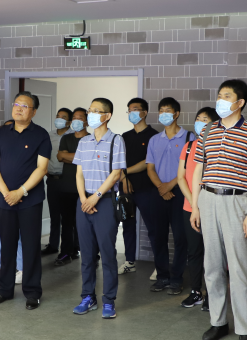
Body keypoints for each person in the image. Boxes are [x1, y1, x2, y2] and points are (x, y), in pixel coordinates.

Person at [190, 79, 247, 340]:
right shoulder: (208, 131)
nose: (220, 100)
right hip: (208, 199)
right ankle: (218, 322)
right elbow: (198, 170)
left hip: (236, 202)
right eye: (219, 95)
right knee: (212, 267)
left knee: (240, 268)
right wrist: (196, 206)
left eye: (226, 96)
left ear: (240, 102)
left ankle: (246, 329)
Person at [0, 91, 51, 310]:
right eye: (16, 104)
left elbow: (42, 168)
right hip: (5, 199)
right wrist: (7, 192)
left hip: (30, 201)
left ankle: (32, 292)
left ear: (33, 111)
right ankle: (4, 289)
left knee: (31, 246)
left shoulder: (40, 135)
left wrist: (20, 192)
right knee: (7, 245)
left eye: (24, 106)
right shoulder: (2, 133)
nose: (19, 108)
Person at [72, 98, 127, 319]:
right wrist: (83, 199)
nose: (91, 114)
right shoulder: (83, 142)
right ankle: (88, 297)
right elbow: (79, 173)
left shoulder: (116, 141)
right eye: (90, 110)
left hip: (104, 202)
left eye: (96, 110)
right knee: (86, 254)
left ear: (107, 116)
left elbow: (116, 174)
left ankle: (109, 300)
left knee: (107, 253)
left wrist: (95, 198)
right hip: (84, 202)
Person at [147, 97, 193, 295]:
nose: (164, 114)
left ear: (176, 114)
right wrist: (161, 187)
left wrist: (169, 186)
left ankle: (176, 279)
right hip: (158, 193)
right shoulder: (154, 140)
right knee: (158, 237)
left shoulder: (189, 137)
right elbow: (150, 168)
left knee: (180, 237)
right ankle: (162, 277)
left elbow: (189, 168)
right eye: (161, 111)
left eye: (167, 110)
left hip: (181, 193)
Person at [177, 107, 219, 310]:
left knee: (213, 254)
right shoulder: (188, 146)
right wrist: (194, 203)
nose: (201, 123)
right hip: (190, 207)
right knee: (194, 251)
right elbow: (181, 177)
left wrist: (201, 203)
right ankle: (196, 292)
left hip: (212, 208)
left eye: (206, 119)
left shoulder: (218, 146)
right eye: (198, 119)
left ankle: (213, 294)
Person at [119, 98, 159, 274]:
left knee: (153, 228)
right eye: (129, 110)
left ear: (144, 112)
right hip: (126, 189)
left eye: (135, 109)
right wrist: (124, 178)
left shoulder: (154, 136)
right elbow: (119, 161)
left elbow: (148, 162)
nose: (131, 113)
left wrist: (126, 172)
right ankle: (129, 261)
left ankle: (159, 266)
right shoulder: (124, 136)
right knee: (128, 225)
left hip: (147, 189)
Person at [0, 120, 23, 283]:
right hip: (1, 196)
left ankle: (21, 268)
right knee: (0, 234)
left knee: (20, 235)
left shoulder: (25, 151)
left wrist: (17, 192)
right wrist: (7, 193)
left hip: (22, 196)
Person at [56, 108, 89, 266]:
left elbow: (88, 160)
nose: (76, 120)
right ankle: (65, 253)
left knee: (85, 223)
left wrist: (69, 156)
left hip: (86, 188)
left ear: (86, 122)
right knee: (67, 223)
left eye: (80, 118)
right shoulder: (66, 138)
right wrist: (81, 158)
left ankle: (88, 253)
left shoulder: (90, 139)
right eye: (74, 118)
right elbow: (59, 156)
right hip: (66, 186)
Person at [43, 107, 73, 258]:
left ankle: (71, 248)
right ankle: (53, 245)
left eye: (63, 117)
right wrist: (45, 170)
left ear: (69, 121)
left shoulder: (73, 136)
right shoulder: (49, 135)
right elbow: (44, 155)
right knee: (54, 216)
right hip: (52, 180)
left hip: (68, 181)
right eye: (58, 116)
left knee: (69, 218)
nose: (59, 119)